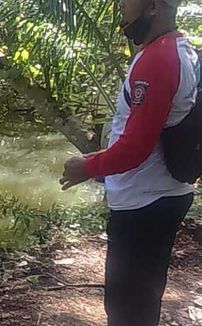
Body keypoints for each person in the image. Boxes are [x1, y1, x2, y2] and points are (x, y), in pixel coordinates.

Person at [60, 0, 200, 325]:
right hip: (163, 193)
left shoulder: (158, 59)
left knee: (127, 308)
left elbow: (136, 148)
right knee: (142, 297)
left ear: (154, 6)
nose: (121, 5)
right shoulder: (179, 48)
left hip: (145, 204)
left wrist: (87, 167)